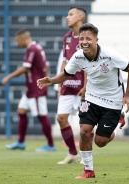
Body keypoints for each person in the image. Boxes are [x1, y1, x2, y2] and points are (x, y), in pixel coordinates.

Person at [37, 23, 129, 178]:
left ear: (96, 40)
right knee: (84, 131)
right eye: (81, 38)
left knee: (101, 142)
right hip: (91, 98)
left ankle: (117, 121)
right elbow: (66, 73)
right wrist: (52, 80)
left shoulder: (110, 55)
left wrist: (127, 95)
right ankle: (88, 170)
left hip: (112, 101)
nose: (84, 41)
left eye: (88, 38)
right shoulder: (78, 56)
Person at [2, 29, 56, 152]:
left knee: (42, 116)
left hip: (36, 89)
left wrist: (8, 77)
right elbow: (47, 65)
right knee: (21, 110)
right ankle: (20, 142)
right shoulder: (38, 47)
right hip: (32, 89)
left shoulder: (32, 49)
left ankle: (51, 144)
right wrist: (44, 79)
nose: (17, 43)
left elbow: (25, 68)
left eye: (17, 40)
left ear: (23, 39)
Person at [55, 7, 94, 165]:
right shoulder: (67, 38)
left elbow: (90, 64)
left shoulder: (88, 37)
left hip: (82, 88)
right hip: (68, 86)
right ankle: (72, 153)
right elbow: (64, 61)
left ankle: (86, 155)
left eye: (70, 14)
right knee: (61, 118)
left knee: (86, 124)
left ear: (80, 17)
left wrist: (86, 85)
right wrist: (59, 82)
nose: (67, 17)